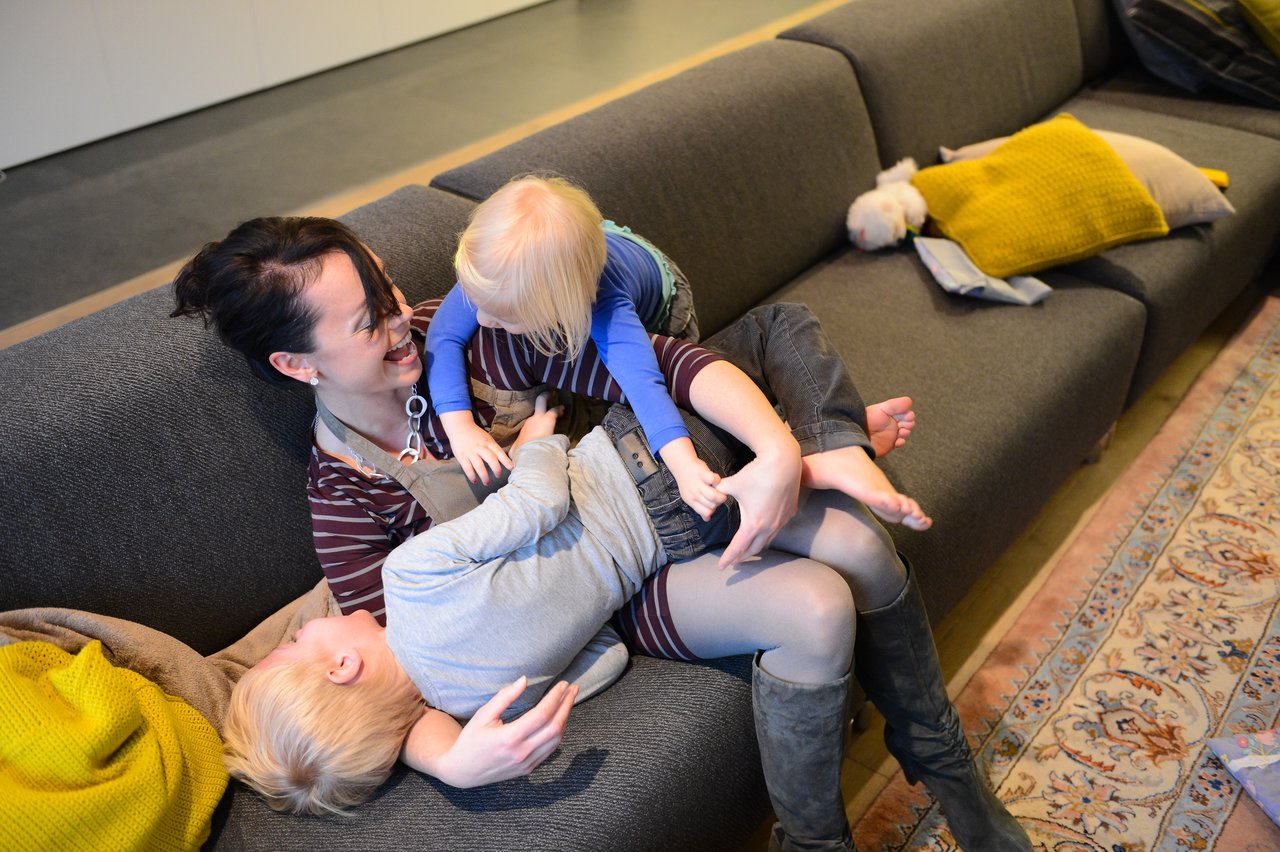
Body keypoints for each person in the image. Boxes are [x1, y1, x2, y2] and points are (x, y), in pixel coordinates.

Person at [173, 216, 1029, 851]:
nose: (404, 319)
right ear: (296, 364)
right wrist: (448, 761)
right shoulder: (345, 497)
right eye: (368, 320)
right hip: (605, 596)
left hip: (642, 477)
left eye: (389, 289)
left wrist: (774, 444)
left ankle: (941, 762)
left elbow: (646, 367)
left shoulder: (459, 333)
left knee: (857, 545)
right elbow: (398, 678)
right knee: (816, 600)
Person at [426, 175, 724, 520]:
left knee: (674, 385)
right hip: (582, 265)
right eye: (478, 303)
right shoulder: (493, 277)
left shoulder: (608, 307)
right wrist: (461, 427)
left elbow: (644, 387)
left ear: (556, 312)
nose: (481, 318)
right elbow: (442, 336)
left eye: (502, 317)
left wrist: (686, 467)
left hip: (663, 305)